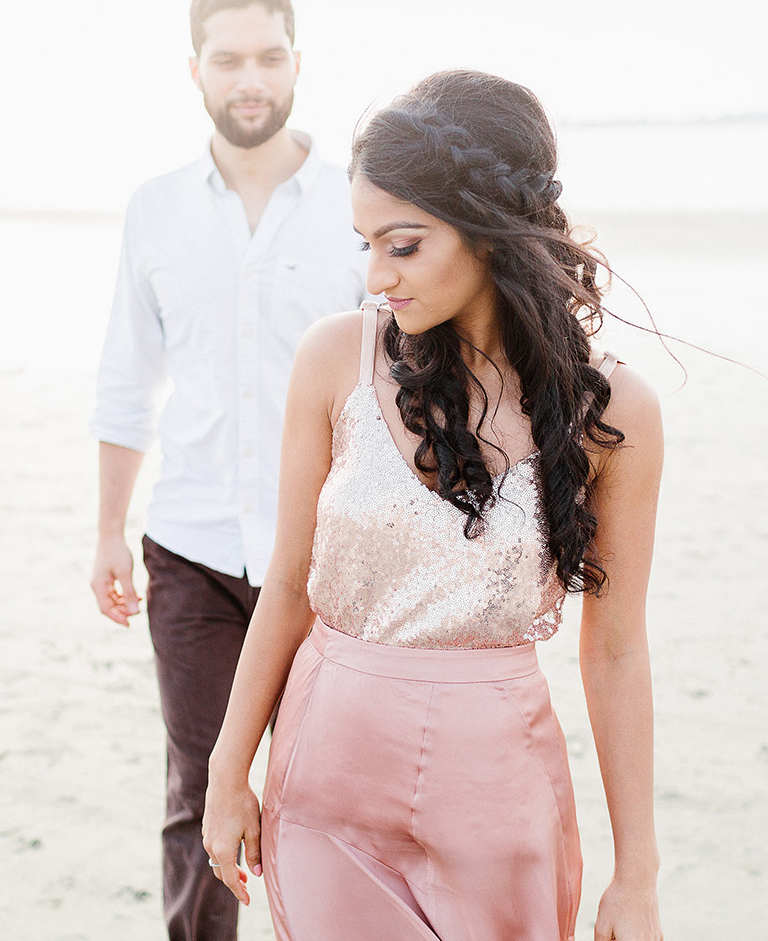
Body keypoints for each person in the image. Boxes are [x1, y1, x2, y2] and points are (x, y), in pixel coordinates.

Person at [201, 69, 666, 941]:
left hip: (501, 797)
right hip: (325, 783)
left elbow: (616, 651)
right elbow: (289, 586)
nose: (377, 277)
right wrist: (231, 767)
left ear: (490, 233)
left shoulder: (617, 414)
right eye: (364, 244)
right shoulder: (335, 359)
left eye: (403, 245)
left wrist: (635, 874)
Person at [87, 0, 367, 941]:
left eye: (270, 56)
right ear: (195, 69)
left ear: (298, 61)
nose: (251, 77)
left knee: (323, 794)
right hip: (192, 550)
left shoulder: (357, 207)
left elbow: (396, 382)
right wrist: (107, 534)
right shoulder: (155, 210)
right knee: (200, 782)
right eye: (229, 58)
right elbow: (128, 378)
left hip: (334, 558)